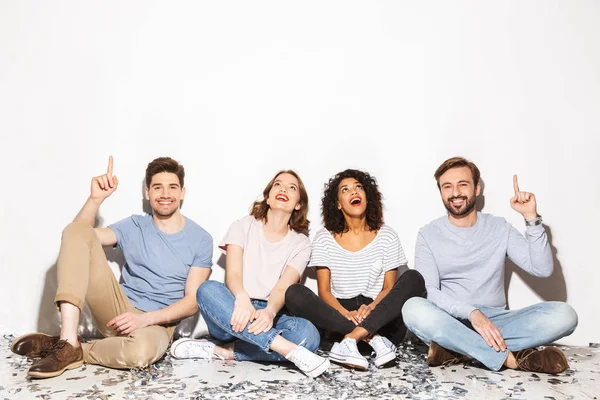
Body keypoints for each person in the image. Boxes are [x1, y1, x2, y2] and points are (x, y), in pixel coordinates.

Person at [11, 156, 213, 378]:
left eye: (172, 187)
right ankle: (68, 339)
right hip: (117, 308)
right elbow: (79, 235)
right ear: (148, 192)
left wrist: (145, 319)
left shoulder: (201, 239)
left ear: (182, 192)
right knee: (75, 230)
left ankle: (72, 349)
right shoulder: (134, 225)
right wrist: (95, 200)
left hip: (158, 323)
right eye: (158, 187)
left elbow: (192, 303)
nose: (165, 194)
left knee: (140, 353)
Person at [401, 157, 578, 374]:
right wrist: (472, 313)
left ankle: (457, 349)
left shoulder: (499, 228)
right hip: (452, 319)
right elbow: (429, 291)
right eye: (448, 187)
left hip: (497, 321)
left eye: (462, 184)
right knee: (413, 308)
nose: (455, 192)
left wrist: (531, 218)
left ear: (476, 189)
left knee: (565, 315)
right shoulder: (428, 234)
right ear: (441, 192)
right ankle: (510, 359)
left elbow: (541, 269)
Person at [170, 170, 330, 378]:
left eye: (292, 188)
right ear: (268, 196)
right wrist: (242, 298)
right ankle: (285, 349)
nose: (283, 189)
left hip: (271, 314)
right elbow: (233, 274)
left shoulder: (301, 243)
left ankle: (222, 351)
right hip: (233, 310)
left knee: (309, 336)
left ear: (298, 204)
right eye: (278, 185)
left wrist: (270, 312)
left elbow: (284, 286)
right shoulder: (243, 225)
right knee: (207, 289)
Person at [285, 169, 426, 370]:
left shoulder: (387, 235)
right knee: (293, 292)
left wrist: (371, 309)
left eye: (358, 187)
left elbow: (388, 288)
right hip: (339, 323)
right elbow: (324, 291)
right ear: (338, 203)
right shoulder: (325, 237)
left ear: (367, 196)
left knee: (413, 277)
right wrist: (345, 314)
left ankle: (357, 337)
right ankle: (368, 338)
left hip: (381, 319)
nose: (354, 192)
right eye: (346, 189)